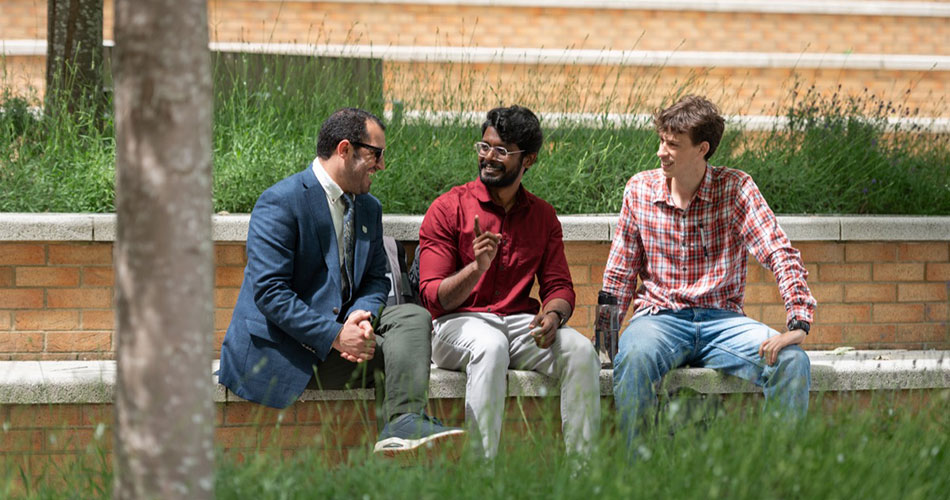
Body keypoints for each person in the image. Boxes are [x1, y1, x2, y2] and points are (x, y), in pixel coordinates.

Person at [218, 107, 463, 456]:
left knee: (412, 317)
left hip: (343, 339)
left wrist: (358, 317)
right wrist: (334, 335)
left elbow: (377, 277)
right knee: (391, 349)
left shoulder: (368, 208)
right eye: (376, 154)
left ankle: (404, 421)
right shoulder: (281, 202)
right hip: (283, 348)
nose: (381, 165)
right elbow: (270, 294)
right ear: (345, 149)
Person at [602, 95, 817, 446]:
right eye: (661, 141)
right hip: (659, 318)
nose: (661, 151)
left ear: (702, 149)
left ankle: (780, 479)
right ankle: (637, 478)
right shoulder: (639, 190)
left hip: (723, 322)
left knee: (792, 362)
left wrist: (798, 322)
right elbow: (619, 272)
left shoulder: (736, 189)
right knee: (635, 357)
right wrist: (604, 344)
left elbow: (778, 250)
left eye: (673, 144)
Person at [418, 105, 600, 459]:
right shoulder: (448, 208)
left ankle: (584, 477)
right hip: (456, 325)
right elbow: (433, 299)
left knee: (580, 351)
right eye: (484, 147)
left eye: (501, 151)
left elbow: (560, 285)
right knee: (490, 345)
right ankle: (480, 478)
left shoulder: (543, 216)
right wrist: (476, 268)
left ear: (527, 160)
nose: (488, 157)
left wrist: (553, 316)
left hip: (517, 326)